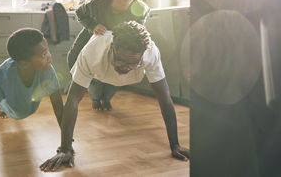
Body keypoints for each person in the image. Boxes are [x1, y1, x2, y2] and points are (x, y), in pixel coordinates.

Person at [40, 21, 190, 172]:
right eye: (120, 60)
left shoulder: (151, 53)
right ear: (113, 48)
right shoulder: (91, 52)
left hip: (115, 72)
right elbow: (73, 100)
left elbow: (164, 98)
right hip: (99, 72)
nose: (125, 67)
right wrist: (65, 148)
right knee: (94, 90)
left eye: (132, 63)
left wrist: (175, 145)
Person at [0, 28, 63, 168]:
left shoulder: (47, 70)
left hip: (29, 105)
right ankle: (1, 106)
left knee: (23, 105)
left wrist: (66, 146)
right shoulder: (2, 76)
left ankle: (3, 103)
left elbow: (59, 108)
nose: (49, 56)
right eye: (43, 54)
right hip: (10, 105)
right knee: (4, 103)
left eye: (47, 50)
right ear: (25, 64)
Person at [67, 0, 150, 110]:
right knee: (80, 63)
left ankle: (105, 98)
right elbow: (79, 12)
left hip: (118, 44)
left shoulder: (140, 8)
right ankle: (95, 96)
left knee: (116, 69)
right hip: (93, 38)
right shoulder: (98, 4)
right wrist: (93, 26)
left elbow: (140, 27)